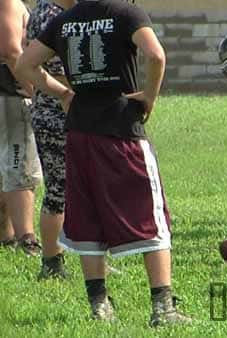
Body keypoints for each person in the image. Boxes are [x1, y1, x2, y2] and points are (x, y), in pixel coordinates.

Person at [16, 0, 192, 324]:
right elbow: (156, 55)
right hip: (121, 129)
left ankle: (99, 305)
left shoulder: (66, 19)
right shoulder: (127, 13)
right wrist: (149, 96)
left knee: (87, 217)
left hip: (79, 132)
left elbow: (25, 64)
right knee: (152, 214)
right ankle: (162, 306)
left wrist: (63, 94)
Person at [26, 0, 78, 279]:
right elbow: (57, 72)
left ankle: (89, 257)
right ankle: (51, 264)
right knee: (59, 191)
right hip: (56, 115)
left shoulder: (64, 12)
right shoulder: (51, 15)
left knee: (79, 191)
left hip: (68, 114)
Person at [0, 0, 43, 256]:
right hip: (11, 94)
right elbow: (10, 50)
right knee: (20, 166)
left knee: (7, 166)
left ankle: (6, 237)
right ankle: (28, 241)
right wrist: (32, 89)